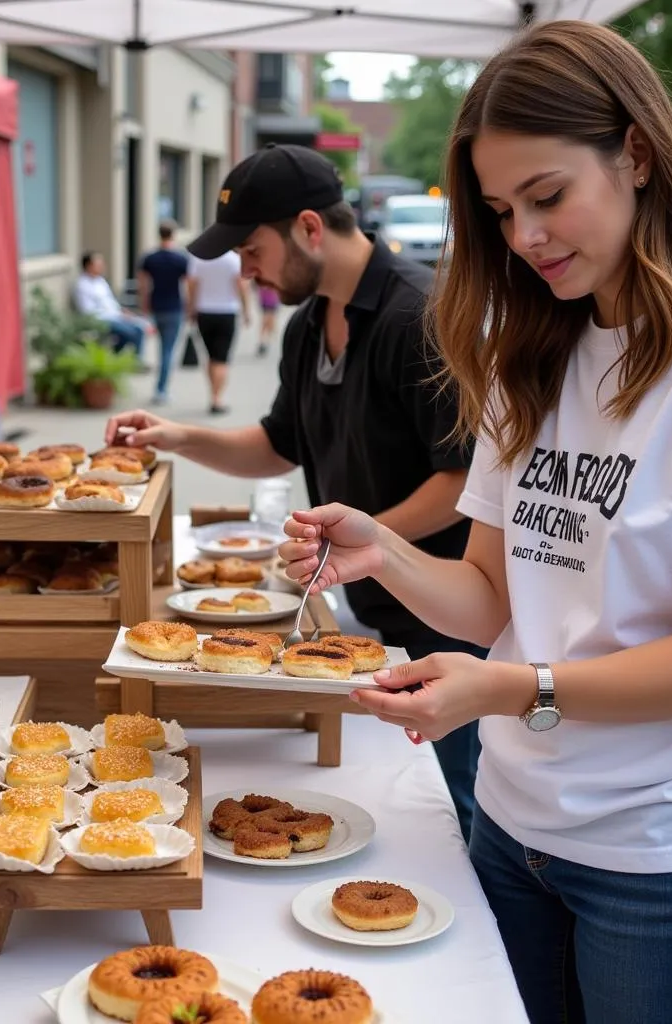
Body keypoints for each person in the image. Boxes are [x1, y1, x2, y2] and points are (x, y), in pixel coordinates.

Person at [277, 21, 672, 1024]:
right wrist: (381, 548)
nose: (524, 236)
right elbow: (488, 596)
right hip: (513, 830)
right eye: (498, 210)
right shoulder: (539, 348)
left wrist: (509, 690)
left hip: (669, 865)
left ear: (637, 154)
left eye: (548, 196)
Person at [105, 142, 485, 844]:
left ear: (310, 228)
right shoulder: (307, 326)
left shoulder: (419, 316)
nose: (244, 271)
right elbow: (281, 442)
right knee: (387, 806)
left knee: (454, 813)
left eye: (251, 250)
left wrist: (365, 543)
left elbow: (464, 478)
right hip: (361, 613)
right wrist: (177, 436)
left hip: (442, 622)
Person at [185, 249, 251, 414]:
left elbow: (192, 284)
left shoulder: (199, 258)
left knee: (211, 356)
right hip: (227, 311)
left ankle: (212, 393)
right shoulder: (234, 260)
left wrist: (191, 308)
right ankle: (217, 398)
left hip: (204, 311)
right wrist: (246, 310)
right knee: (221, 358)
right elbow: (241, 285)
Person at [138, 221, 189, 405]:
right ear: (173, 234)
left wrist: (144, 306)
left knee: (162, 347)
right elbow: (188, 285)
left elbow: (143, 285)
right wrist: (191, 309)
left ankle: (160, 387)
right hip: (174, 307)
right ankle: (161, 389)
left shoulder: (150, 258)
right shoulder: (180, 259)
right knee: (168, 349)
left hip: (156, 306)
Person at [74, 251, 146, 361]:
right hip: (101, 319)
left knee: (139, 329)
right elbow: (88, 311)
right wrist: (114, 316)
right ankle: (127, 361)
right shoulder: (83, 284)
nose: (101, 267)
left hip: (114, 316)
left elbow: (110, 302)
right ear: (88, 266)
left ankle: (128, 359)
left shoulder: (100, 281)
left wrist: (122, 312)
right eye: (98, 264)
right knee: (129, 333)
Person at [257, 284, 280, 356]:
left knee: (270, 320)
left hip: (272, 299)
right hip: (267, 299)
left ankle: (266, 341)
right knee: (266, 320)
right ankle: (263, 341)